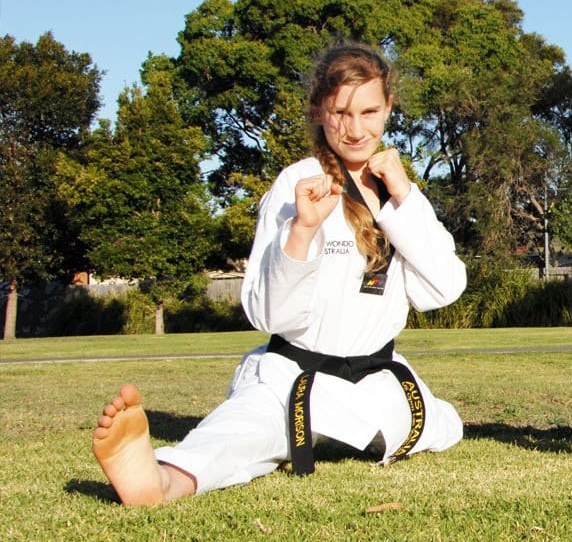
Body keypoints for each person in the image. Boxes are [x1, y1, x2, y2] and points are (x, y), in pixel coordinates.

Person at [91, 42, 468, 505]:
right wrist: (302, 231)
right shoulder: (297, 184)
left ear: (389, 107)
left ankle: (328, 436)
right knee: (243, 433)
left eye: (369, 112)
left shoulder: (399, 190)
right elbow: (271, 315)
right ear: (318, 110)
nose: (355, 129)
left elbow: (444, 288)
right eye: (340, 113)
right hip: (296, 377)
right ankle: (163, 479)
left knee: (446, 424)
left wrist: (404, 200)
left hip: (377, 379)